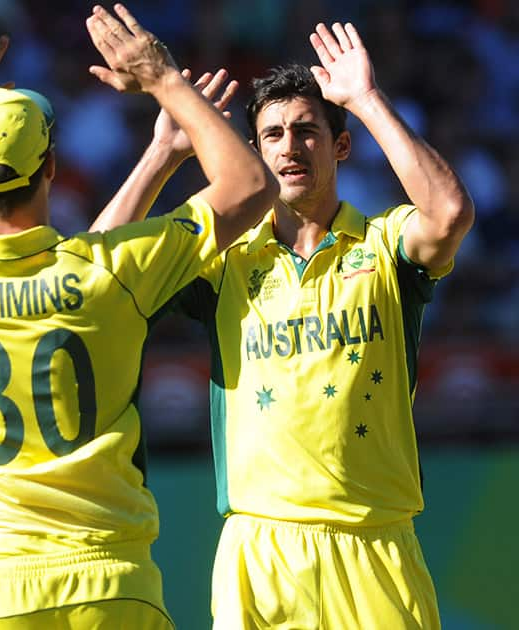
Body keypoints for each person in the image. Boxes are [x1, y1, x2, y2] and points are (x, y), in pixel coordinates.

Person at [0, 5, 277, 628]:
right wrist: (164, 82)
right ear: (50, 167)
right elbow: (249, 186)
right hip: (114, 581)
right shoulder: (109, 275)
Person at [93, 21, 474, 629]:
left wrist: (365, 101)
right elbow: (99, 269)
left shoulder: (383, 246)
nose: (289, 147)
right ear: (256, 152)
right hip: (259, 549)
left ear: (340, 146)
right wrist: (161, 155)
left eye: (307, 131)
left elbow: (450, 212)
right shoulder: (221, 264)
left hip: (375, 543)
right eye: (272, 135)